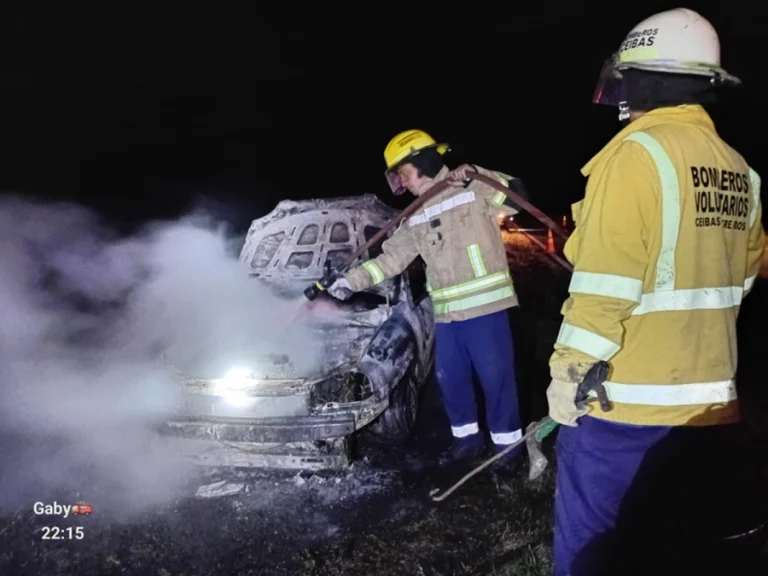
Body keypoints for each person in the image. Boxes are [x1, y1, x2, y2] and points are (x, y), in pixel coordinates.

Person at [547, 8, 766, 576]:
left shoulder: (633, 156)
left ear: (646, 78)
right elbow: (737, 281)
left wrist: (569, 373)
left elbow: (603, 287)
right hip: (710, 411)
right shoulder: (739, 170)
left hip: (626, 410)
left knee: (595, 550)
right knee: (677, 549)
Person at [326, 129, 529, 474]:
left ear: (423, 161)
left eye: (403, 173)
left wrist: (477, 177)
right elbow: (391, 260)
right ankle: (467, 444)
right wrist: (349, 281)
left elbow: (517, 197)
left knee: (497, 381)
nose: (402, 184)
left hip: (486, 310)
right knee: (452, 381)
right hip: (447, 316)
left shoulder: (470, 187)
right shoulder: (414, 215)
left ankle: (508, 453)